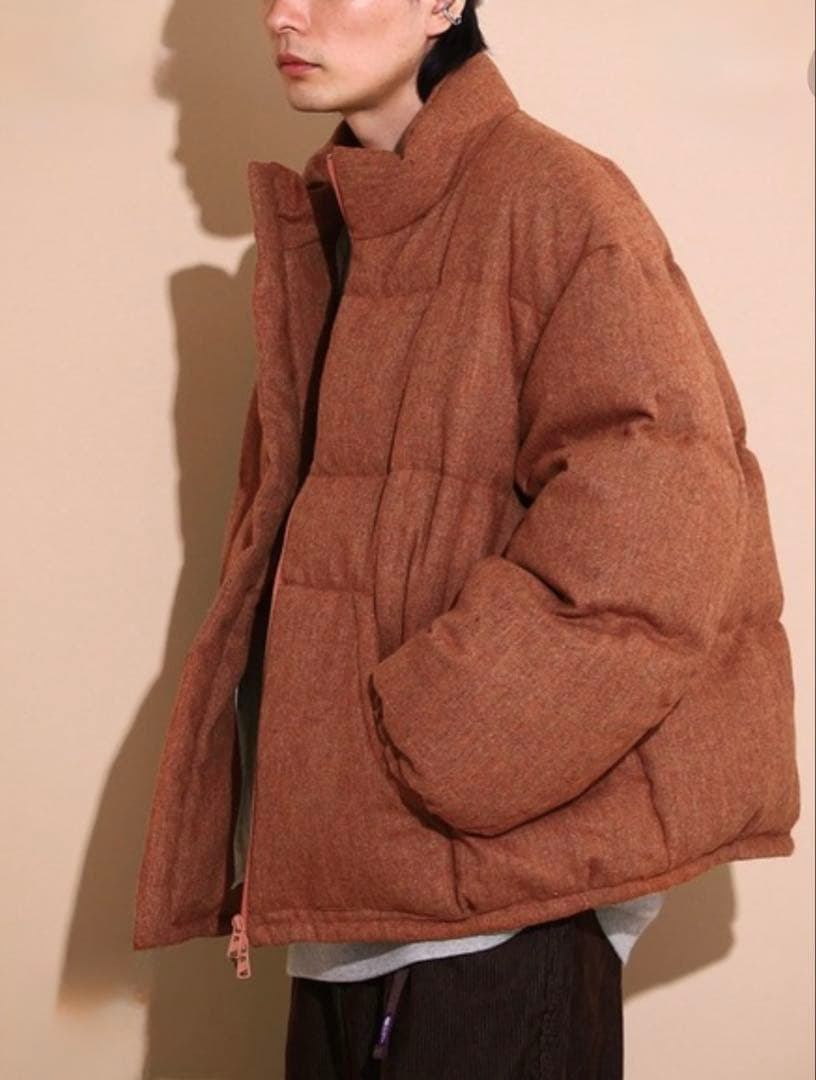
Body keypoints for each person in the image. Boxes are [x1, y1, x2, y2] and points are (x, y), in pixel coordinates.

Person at [132, 1, 801, 1077]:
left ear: (444, 2)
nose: (284, 15)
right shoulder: (345, 222)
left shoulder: (554, 197)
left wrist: (443, 737)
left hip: (493, 926)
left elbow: (661, 511)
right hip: (353, 907)